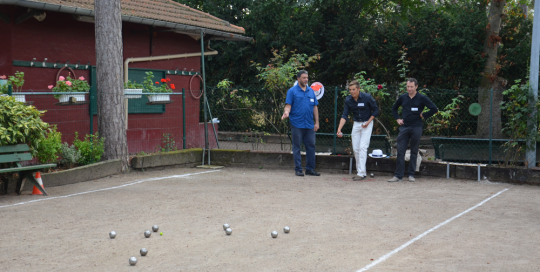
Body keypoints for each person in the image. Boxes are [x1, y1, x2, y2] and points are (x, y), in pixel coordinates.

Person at [388, 78, 438, 182]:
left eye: (411, 87)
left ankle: (411, 174)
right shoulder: (403, 97)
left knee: (414, 151)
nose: (409, 88)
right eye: (407, 86)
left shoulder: (421, 98)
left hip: (416, 127)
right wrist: (397, 119)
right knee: (400, 151)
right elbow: (394, 108)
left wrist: (424, 115)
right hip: (405, 127)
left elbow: (434, 109)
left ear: (416, 86)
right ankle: (398, 175)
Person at [336, 80, 379, 180]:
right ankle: (362, 172)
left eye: (354, 89)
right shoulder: (348, 100)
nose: (352, 91)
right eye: (350, 90)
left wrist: (368, 122)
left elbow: (376, 110)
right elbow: (344, 115)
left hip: (367, 123)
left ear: (359, 89)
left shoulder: (367, 97)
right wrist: (339, 129)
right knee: (356, 149)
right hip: (356, 124)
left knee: (363, 147)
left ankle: (361, 173)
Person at [282, 70, 320, 177]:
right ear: (298, 79)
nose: (306, 80)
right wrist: (286, 112)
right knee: (297, 147)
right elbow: (288, 105)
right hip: (296, 123)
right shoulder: (292, 91)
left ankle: (310, 169)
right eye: (304, 78)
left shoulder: (311, 91)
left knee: (311, 146)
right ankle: (298, 169)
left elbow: (315, 107)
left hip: (309, 124)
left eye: (307, 78)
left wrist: (316, 122)